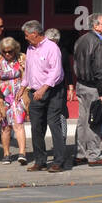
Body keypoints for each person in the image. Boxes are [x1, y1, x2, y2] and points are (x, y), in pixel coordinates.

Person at [23, 20, 70, 171]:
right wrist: (23, 86)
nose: (25, 38)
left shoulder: (52, 47)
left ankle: (59, 161)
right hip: (35, 92)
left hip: (52, 91)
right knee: (36, 127)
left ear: (34, 34)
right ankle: (40, 160)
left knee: (54, 124)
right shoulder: (30, 48)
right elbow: (28, 69)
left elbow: (55, 72)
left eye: (26, 35)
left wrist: (44, 89)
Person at [72, 13, 102, 166]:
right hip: (93, 86)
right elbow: (100, 70)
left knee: (82, 121)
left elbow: (76, 63)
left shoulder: (80, 40)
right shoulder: (97, 43)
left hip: (81, 84)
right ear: (95, 26)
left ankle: (80, 153)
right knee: (95, 121)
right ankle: (94, 156)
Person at [0, 36, 29, 165]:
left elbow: (30, 74)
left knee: (19, 124)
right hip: (3, 97)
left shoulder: (22, 57)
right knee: (5, 127)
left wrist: (24, 67)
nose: (7, 54)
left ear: (15, 49)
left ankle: (22, 153)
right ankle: (6, 153)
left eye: (10, 51)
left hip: (18, 96)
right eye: (4, 51)